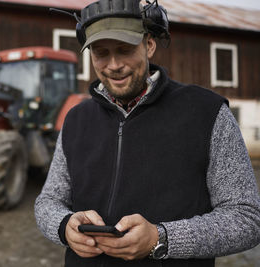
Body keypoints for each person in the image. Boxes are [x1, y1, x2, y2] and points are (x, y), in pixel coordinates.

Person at [35, 0, 260, 266]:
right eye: (101, 52)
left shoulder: (207, 113)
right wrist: (64, 226)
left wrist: (160, 238)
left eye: (125, 49)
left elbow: (247, 219)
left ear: (149, 45)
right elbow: (48, 202)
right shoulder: (76, 119)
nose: (114, 64)